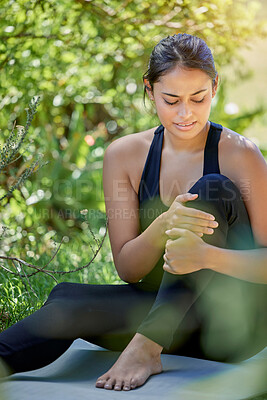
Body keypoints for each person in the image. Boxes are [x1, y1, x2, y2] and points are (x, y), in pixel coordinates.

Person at [0, 33, 266, 392]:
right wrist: (164, 224)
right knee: (69, 304)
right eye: (171, 100)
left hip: (233, 325)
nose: (185, 113)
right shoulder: (125, 155)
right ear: (149, 89)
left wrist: (207, 257)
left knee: (210, 188)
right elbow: (128, 269)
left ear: (214, 87)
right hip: (165, 315)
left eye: (198, 98)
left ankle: (146, 346)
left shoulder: (241, 154)